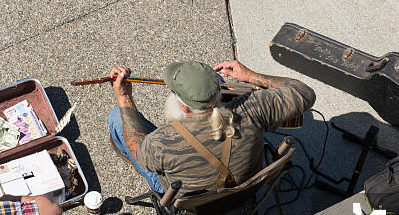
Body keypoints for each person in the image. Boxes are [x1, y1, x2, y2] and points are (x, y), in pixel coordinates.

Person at [107, 59, 315, 195]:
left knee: (117, 117)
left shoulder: (161, 143)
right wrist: (249, 76)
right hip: (247, 188)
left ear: (182, 106)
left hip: (192, 204)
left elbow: (136, 145)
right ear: (219, 94)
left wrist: (124, 97)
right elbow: (304, 92)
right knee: (213, 77)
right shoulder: (255, 108)